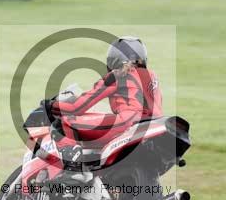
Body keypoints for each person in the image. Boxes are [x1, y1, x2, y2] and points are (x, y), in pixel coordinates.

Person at [48, 37, 163, 170]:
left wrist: (50, 105)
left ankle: (73, 171)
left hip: (129, 123)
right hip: (156, 125)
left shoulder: (118, 75)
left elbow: (77, 106)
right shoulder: (152, 76)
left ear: (114, 59)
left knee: (63, 124)